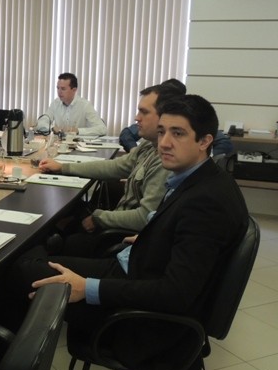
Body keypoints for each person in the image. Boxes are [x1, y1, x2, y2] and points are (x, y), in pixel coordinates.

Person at [0, 94, 250, 370]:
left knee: (19, 271)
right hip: (136, 269)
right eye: (162, 132)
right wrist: (155, 237)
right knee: (27, 258)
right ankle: (4, 356)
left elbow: (176, 294)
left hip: (139, 321)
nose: (164, 143)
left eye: (178, 133)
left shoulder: (206, 203)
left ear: (204, 141)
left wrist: (87, 288)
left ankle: (4, 365)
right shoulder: (203, 179)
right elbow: (184, 241)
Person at [38, 84, 179, 256]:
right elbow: (115, 166)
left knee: (61, 240)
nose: (137, 117)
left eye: (144, 112)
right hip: (117, 221)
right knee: (71, 213)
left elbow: (144, 216)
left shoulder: (165, 162)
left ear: (164, 117)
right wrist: (63, 167)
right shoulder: (149, 146)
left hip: (120, 236)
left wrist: (99, 217)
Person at [119, 79, 233, 156]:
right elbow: (126, 134)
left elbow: (225, 143)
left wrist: (205, 158)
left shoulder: (192, 119)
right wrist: (134, 150)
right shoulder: (151, 123)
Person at [36, 72, 106, 137]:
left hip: (78, 143)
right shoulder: (55, 103)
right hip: (59, 143)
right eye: (58, 88)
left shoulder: (85, 105)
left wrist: (78, 131)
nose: (59, 92)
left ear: (74, 90)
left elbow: (102, 129)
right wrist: (52, 128)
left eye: (63, 89)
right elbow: (41, 122)